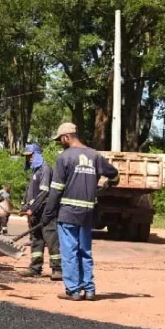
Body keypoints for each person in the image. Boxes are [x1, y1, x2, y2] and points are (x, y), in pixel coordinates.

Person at [42, 123, 119, 301]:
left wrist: (48, 213)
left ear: (66, 137)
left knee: (69, 252)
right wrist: (110, 183)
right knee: (85, 250)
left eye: (60, 139)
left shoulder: (64, 157)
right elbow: (114, 174)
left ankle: (73, 291)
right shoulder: (95, 155)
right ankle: (90, 290)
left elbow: (56, 188)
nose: (60, 143)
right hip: (87, 212)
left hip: (68, 212)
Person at [19, 144, 61, 280]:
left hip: (46, 212)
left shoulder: (45, 169)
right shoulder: (34, 172)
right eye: (27, 156)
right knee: (37, 240)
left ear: (36, 155)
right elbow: (30, 193)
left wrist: (32, 208)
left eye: (30, 156)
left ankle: (57, 269)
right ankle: (35, 268)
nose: (29, 158)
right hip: (36, 213)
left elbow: (44, 192)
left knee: (51, 240)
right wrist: (25, 207)